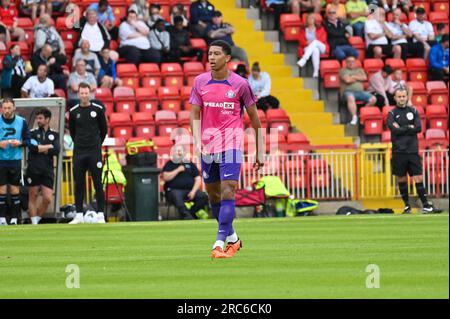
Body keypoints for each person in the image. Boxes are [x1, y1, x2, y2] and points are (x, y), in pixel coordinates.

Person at [189, 40, 264, 258]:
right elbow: (194, 114)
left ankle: (219, 243)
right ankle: (233, 238)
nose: (211, 58)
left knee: (228, 189)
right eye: (209, 54)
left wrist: (260, 150)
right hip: (208, 145)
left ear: (227, 58)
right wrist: (196, 141)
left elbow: (255, 119)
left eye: (216, 54)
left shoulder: (241, 84)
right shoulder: (200, 81)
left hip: (231, 143)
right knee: (213, 196)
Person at [387, 87, 437, 214]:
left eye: (404, 96)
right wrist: (409, 127)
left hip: (412, 151)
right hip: (398, 152)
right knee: (401, 179)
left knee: (418, 178)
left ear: (407, 97)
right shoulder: (392, 113)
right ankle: (407, 206)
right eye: (399, 96)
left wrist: (402, 128)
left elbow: (419, 128)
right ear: (395, 98)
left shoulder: (413, 111)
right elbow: (394, 130)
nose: (402, 98)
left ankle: (426, 205)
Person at [68, 82, 108, 224]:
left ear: (90, 93)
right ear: (78, 94)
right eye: (82, 93)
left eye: (86, 93)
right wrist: (80, 143)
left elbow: (104, 130)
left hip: (94, 151)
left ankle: (101, 214)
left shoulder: (98, 110)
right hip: (79, 152)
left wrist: (96, 144)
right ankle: (79, 214)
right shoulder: (73, 111)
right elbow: (72, 132)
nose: (84, 96)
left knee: (98, 183)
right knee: (79, 183)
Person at [0, 98, 31, 226]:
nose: (6, 111)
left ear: (14, 108)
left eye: (9, 108)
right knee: (1, 190)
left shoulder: (21, 122)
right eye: (4, 108)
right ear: (1, 108)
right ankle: (1, 218)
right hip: (1, 160)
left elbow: (28, 140)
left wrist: (20, 143)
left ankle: (14, 218)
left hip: (15, 160)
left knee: (14, 189)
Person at [26, 108, 60, 225]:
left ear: (47, 119)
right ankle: (34, 222)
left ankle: (37, 218)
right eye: (37, 118)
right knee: (33, 196)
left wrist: (42, 148)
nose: (38, 120)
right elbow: (33, 148)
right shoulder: (32, 132)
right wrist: (49, 146)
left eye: (40, 118)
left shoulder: (55, 134)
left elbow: (56, 150)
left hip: (47, 170)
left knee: (47, 199)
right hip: (33, 168)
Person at [163, 144, 209, 220]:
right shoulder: (169, 164)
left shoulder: (190, 164)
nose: (178, 152)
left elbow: (198, 178)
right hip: (174, 190)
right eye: (176, 151)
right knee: (176, 195)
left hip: (190, 190)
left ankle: (190, 213)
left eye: (180, 150)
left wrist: (193, 191)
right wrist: (177, 170)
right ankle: (187, 216)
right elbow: (165, 177)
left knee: (203, 196)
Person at [339, 55, 376, 125]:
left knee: (373, 99)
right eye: (349, 61)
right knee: (350, 97)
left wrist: (352, 77)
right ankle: (354, 117)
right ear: (346, 63)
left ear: (355, 62)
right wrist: (358, 78)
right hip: (347, 92)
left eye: (352, 61)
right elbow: (347, 80)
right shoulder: (343, 70)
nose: (351, 63)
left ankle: (361, 114)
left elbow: (364, 78)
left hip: (360, 92)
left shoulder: (360, 70)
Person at [297, 13, 329, 78]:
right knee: (315, 50)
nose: (310, 20)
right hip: (308, 47)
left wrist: (312, 42)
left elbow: (323, 39)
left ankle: (304, 59)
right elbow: (300, 40)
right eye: (309, 18)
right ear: (307, 20)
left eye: (312, 18)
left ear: (315, 20)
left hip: (321, 46)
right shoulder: (303, 30)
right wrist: (306, 43)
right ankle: (316, 71)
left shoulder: (320, 29)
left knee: (315, 42)